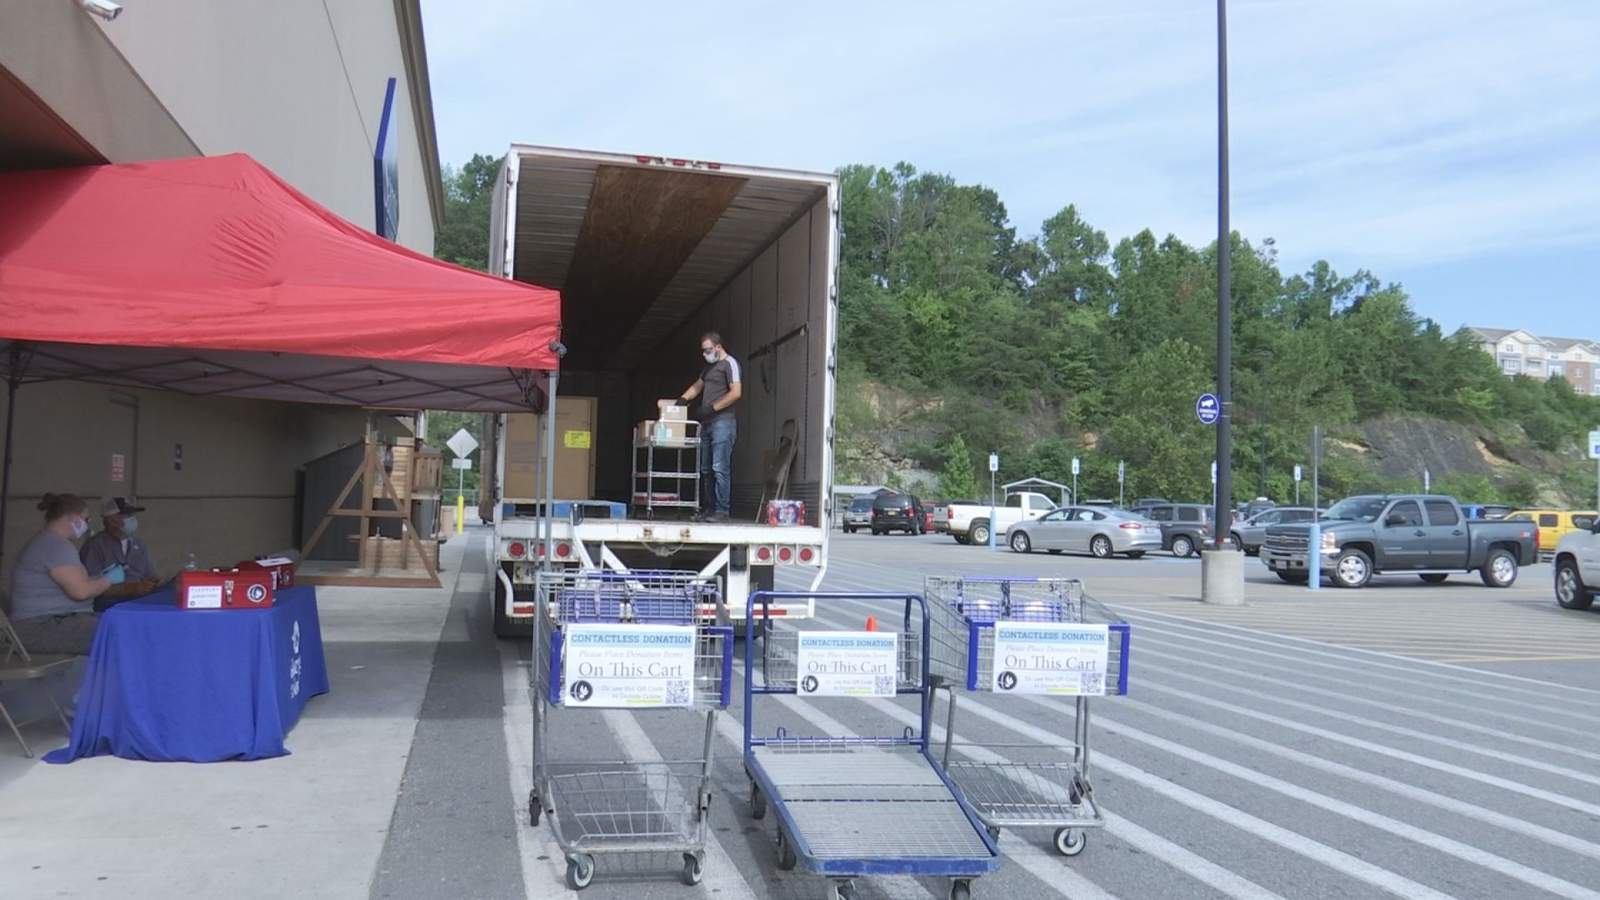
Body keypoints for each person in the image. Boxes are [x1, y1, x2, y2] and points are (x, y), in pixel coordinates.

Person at [8, 493, 124, 655]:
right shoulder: (56, 546)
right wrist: (109, 579)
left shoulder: (48, 542)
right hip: (40, 626)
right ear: (73, 517)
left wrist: (98, 578)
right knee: (121, 633)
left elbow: (75, 583)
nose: (87, 524)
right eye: (86, 519)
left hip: (45, 622)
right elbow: (80, 592)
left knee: (118, 623)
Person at [677, 331, 742, 522]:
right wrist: (682, 400)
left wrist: (712, 408)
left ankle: (722, 511)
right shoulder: (708, 368)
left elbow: (736, 392)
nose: (705, 354)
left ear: (718, 347)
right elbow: (697, 386)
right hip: (707, 424)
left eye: (708, 350)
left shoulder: (730, 363)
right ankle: (710, 508)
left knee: (719, 467)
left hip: (723, 422)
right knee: (705, 469)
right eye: (703, 351)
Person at [79, 496, 162, 600]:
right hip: (106, 606)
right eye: (127, 515)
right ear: (111, 520)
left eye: (132, 514)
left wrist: (156, 582)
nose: (132, 518)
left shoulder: (139, 545)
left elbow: (150, 576)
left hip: (138, 602)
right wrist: (130, 588)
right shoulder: (94, 546)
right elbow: (90, 587)